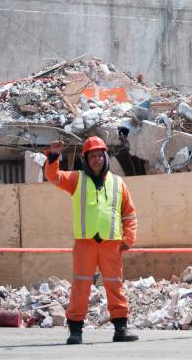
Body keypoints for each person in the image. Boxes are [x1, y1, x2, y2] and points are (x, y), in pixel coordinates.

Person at [46, 137, 139, 344]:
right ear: (86, 159)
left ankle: (120, 330)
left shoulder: (118, 182)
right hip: (85, 244)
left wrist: (128, 238)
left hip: (111, 244)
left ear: (105, 156)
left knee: (115, 286)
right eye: (92, 155)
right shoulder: (76, 180)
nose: (97, 159)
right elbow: (53, 176)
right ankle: (75, 332)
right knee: (81, 287)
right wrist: (53, 156)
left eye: (100, 155)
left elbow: (129, 214)